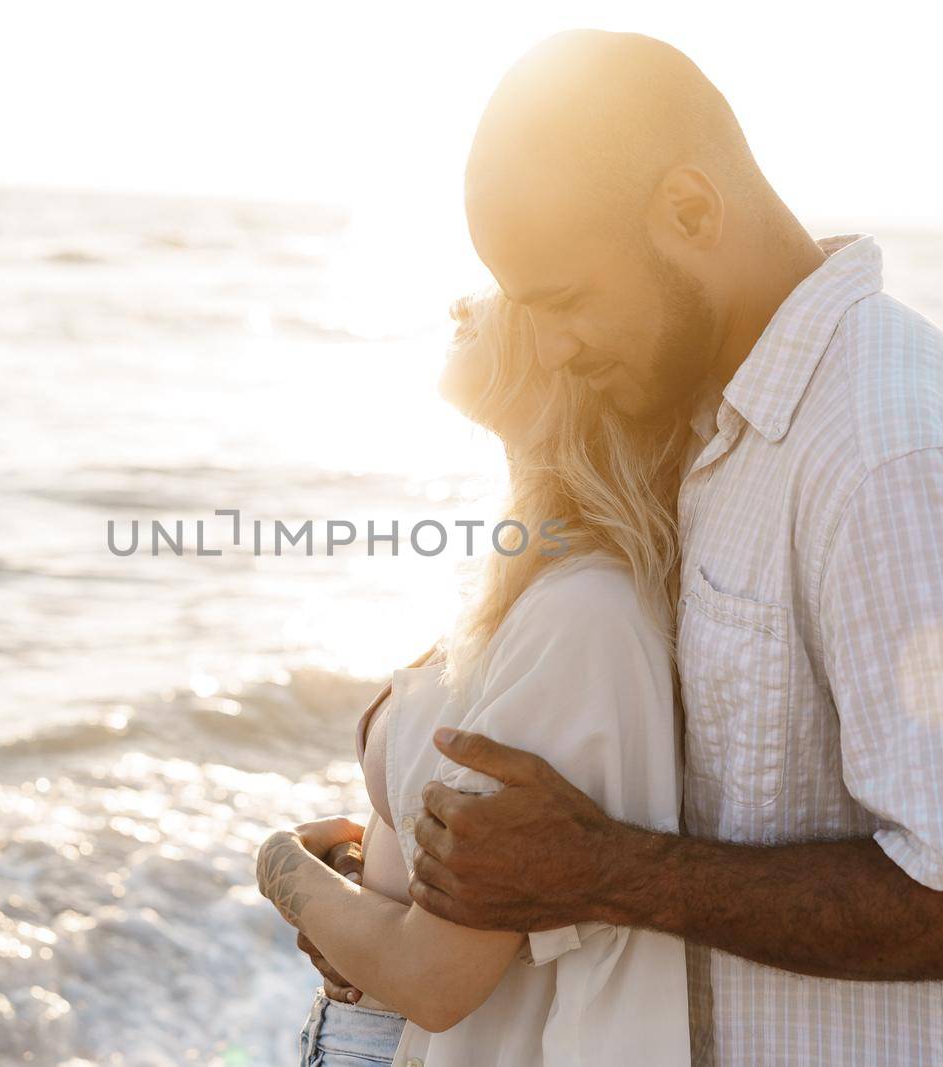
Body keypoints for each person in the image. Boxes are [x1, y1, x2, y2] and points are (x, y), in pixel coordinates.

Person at [296, 30, 943, 1065]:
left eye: (561, 301)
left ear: (690, 210)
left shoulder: (888, 452)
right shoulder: (719, 424)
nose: (549, 347)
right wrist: (412, 861)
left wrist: (604, 869)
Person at [257, 291, 693, 1065]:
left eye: (508, 283)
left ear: (578, 357)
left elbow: (437, 978)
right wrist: (357, 898)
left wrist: (280, 864)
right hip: (369, 1030)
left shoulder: (583, 614)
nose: (463, 301)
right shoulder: (532, 578)